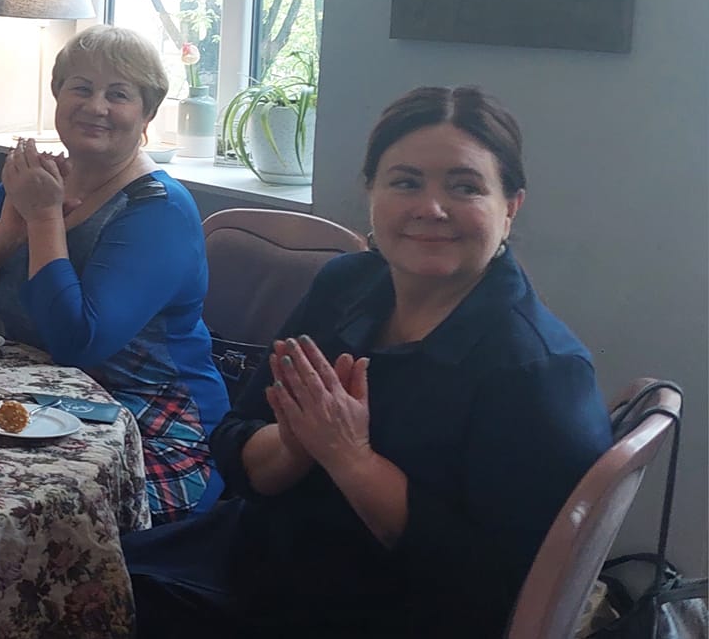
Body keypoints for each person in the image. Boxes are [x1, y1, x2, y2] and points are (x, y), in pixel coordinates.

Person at [121, 86, 611, 637]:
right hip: (259, 554)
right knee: (81, 571)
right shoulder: (346, 286)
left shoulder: (539, 371)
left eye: (465, 187)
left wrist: (351, 459)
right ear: (371, 192)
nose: (431, 208)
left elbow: (498, 590)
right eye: (406, 182)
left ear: (510, 206)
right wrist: (296, 443)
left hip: (375, 610)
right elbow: (237, 445)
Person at [0, 25, 228, 520]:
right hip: (35, 408)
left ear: (149, 112)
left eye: (119, 94)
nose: (96, 106)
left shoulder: (160, 211)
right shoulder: (36, 181)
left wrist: (45, 219)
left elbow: (78, 341)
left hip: (149, 433)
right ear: (57, 95)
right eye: (81, 88)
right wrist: (7, 231)